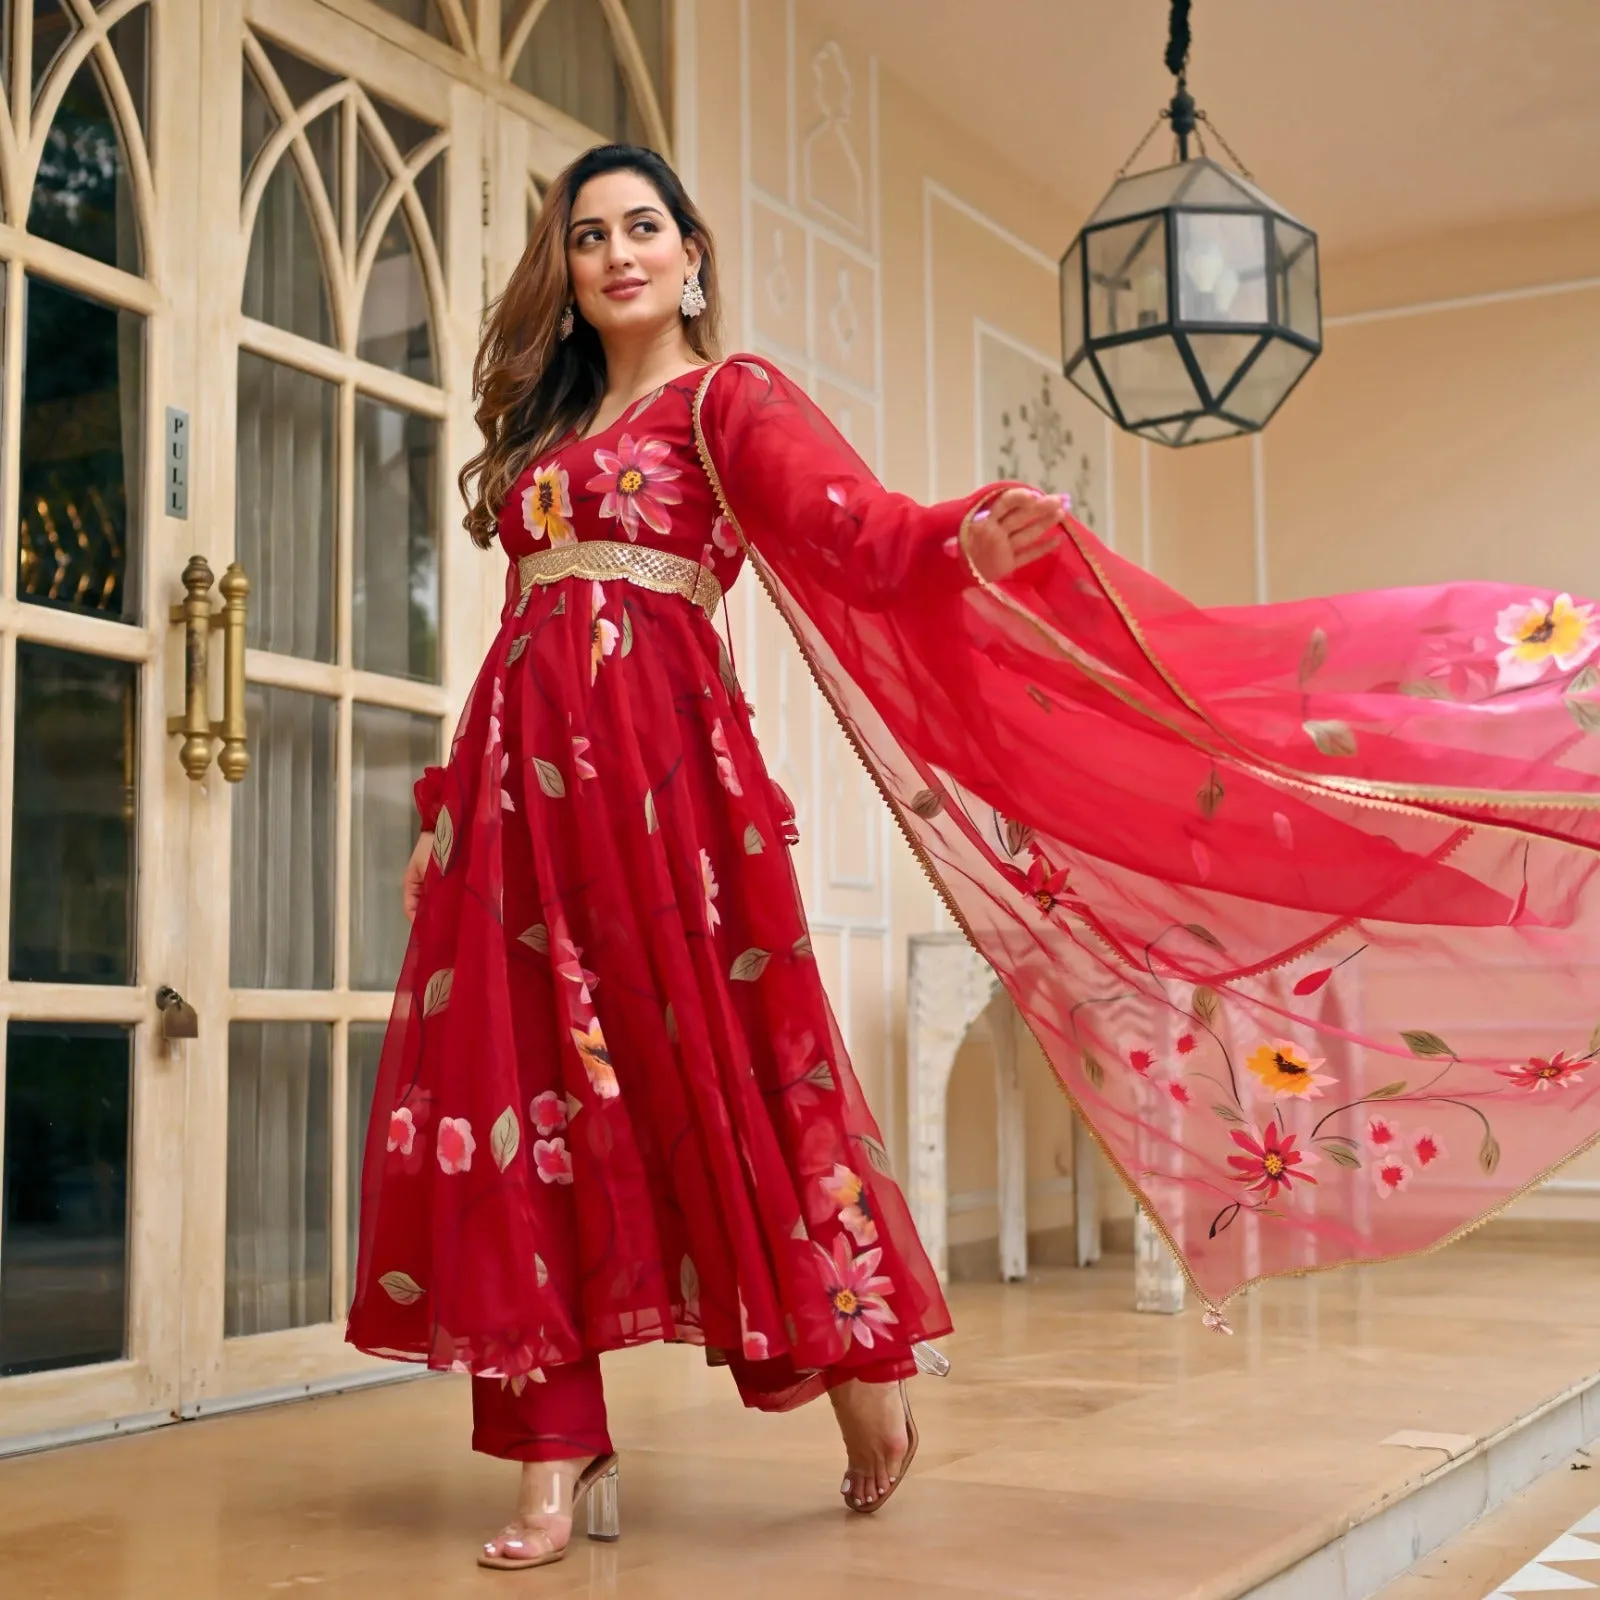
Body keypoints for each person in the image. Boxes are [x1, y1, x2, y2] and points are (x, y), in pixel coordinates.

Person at [346, 142, 1065, 1570]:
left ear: (692, 254)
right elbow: (514, 636)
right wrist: (445, 806)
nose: (619, 252)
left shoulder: (726, 399)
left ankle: (861, 1370)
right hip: (515, 799)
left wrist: (957, 537)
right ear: (569, 270)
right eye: (592, 234)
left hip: (667, 794)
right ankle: (552, 1451)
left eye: (645, 228)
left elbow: (843, 524)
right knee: (522, 1096)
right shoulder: (550, 438)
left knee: (729, 1066)